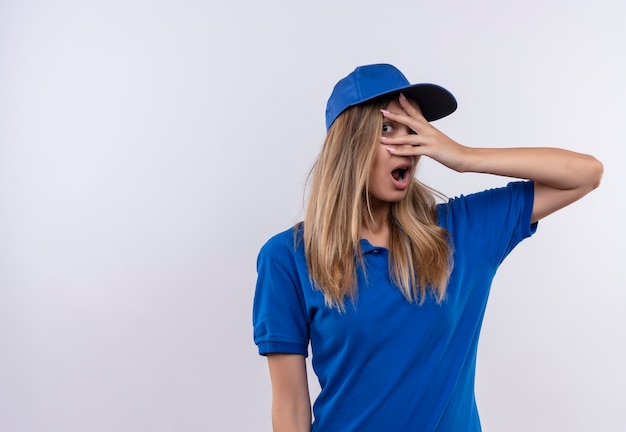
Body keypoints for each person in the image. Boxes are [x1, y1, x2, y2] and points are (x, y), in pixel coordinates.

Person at [252, 63, 603, 431]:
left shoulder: (462, 232)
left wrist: (465, 157)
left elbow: (586, 174)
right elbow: (290, 408)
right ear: (349, 144)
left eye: (415, 129)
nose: (409, 145)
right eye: (388, 129)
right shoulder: (287, 258)